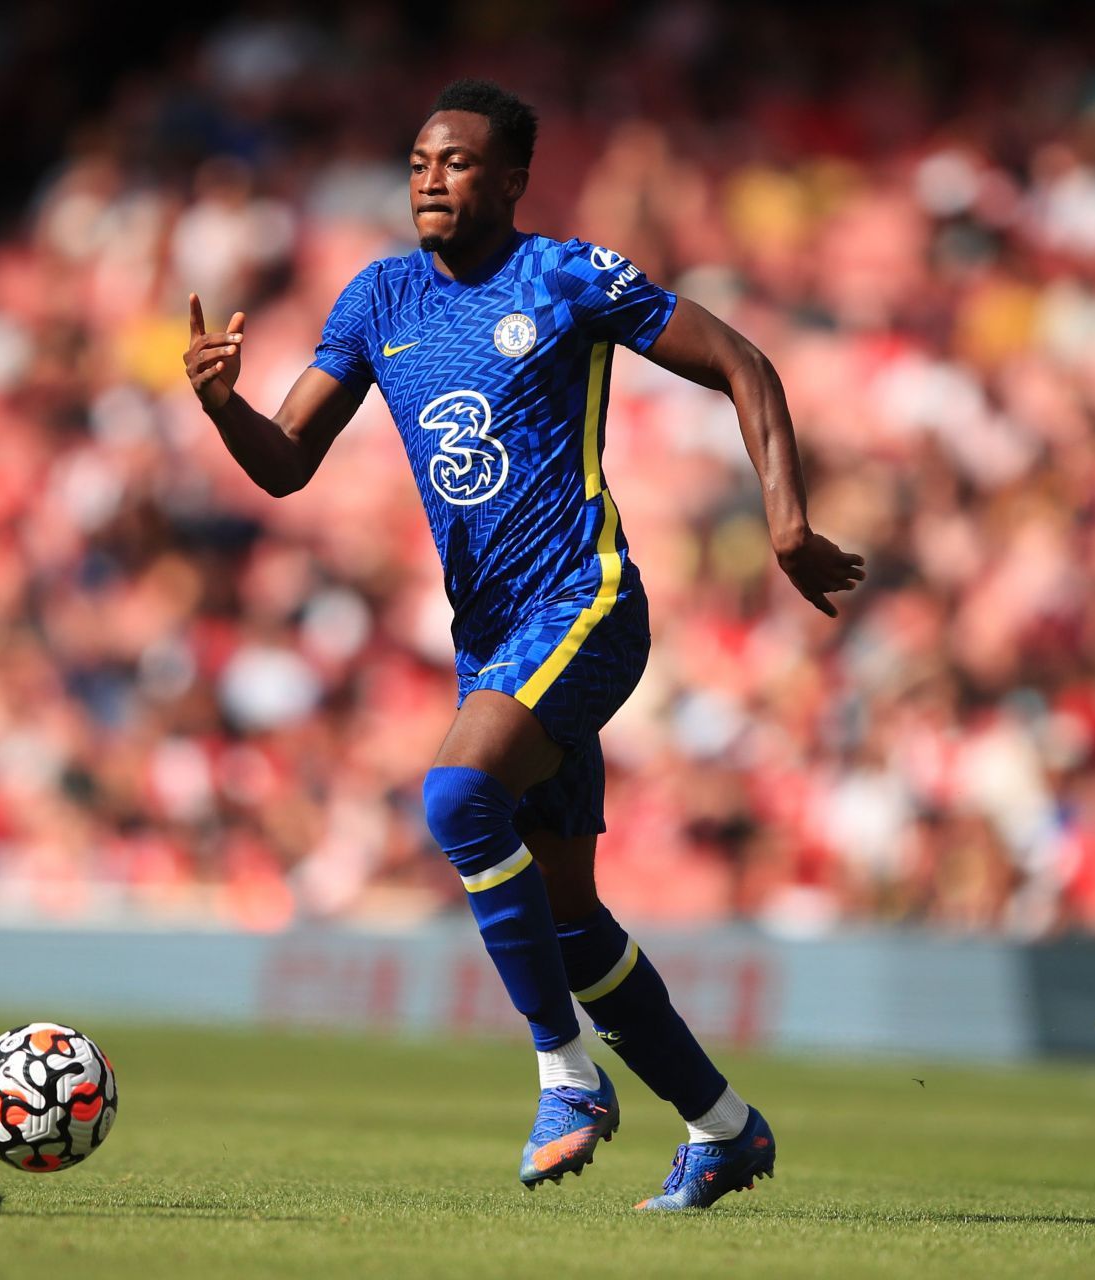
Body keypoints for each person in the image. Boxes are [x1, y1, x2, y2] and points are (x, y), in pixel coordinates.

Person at [184, 78, 863, 1210]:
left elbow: (746, 361)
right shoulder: (377, 299)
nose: (430, 179)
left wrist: (785, 519)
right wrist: (222, 406)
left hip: (586, 604)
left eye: (455, 162)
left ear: (510, 180)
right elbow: (287, 461)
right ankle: (724, 1126)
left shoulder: (564, 278)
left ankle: (565, 1075)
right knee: (567, 917)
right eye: (416, 163)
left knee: (455, 800)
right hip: (494, 640)